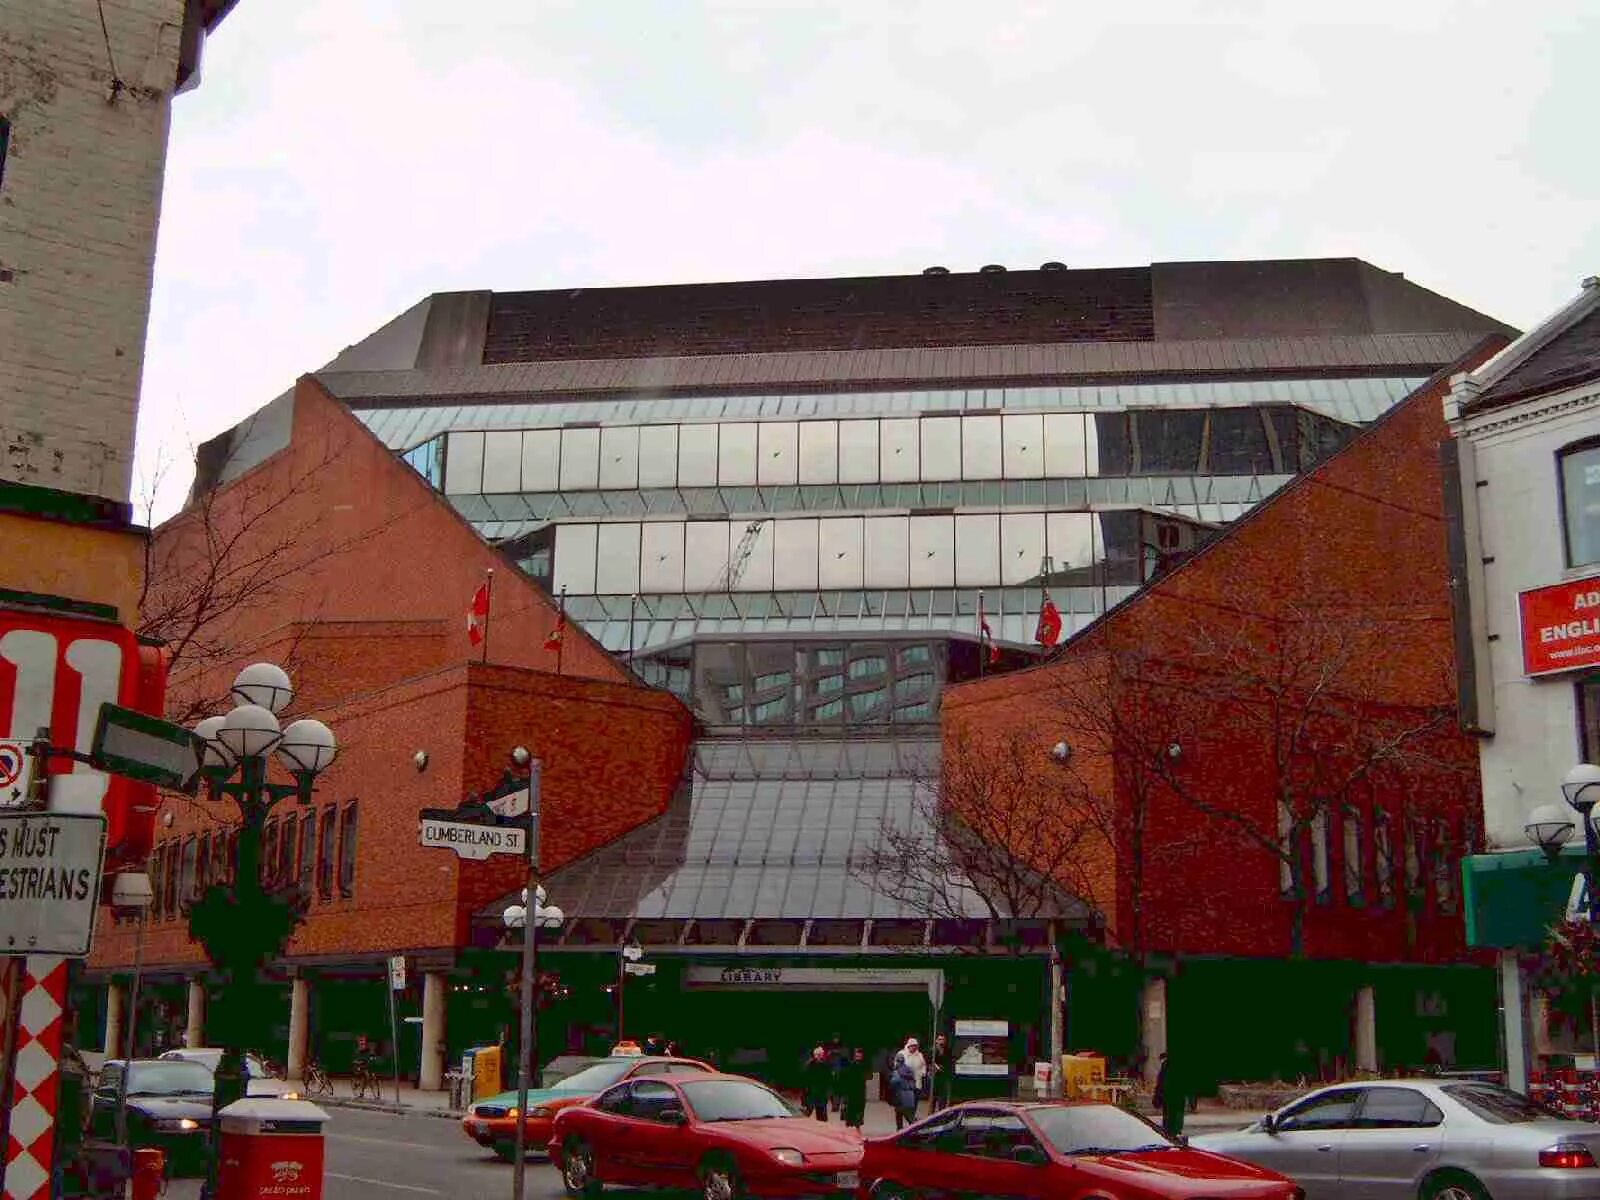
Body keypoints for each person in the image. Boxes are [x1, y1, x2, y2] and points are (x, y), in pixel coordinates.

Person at [1154, 1052, 1185, 1137]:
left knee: (1169, 1114)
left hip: (1169, 1094)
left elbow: (1161, 1082)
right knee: (1177, 1113)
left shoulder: (1165, 1066)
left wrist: (1158, 1095)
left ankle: (1170, 1131)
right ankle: (1177, 1129)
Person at [889, 1048, 920, 1130]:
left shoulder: (897, 1071)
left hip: (900, 1097)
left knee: (899, 1116)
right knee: (910, 1116)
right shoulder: (909, 1070)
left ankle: (900, 1132)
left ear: (898, 1061)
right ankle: (915, 1128)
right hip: (910, 1096)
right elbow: (913, 1083)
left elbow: (893, 1082)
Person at [838, 1047, 869, 1130]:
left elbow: (868, 1077)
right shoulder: (850, 1066)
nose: (858, 1057)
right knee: (850, 1113)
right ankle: (849, 1129)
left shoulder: (864, 1066)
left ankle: (857, 1128)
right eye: (857, 1056)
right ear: (854, 1056)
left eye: (860, 1056)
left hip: (860, 1092)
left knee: (859, 1112)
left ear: (862, 1056)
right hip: (851, 1092)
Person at [802, 1045, 833, 1121]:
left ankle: (823, 1126)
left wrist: (828, 1092)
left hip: (822, 1091)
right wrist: (806, 1092)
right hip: (812, 1091)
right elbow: (806, 1079)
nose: (819, 1056)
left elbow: (829, 1079)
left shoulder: (825, 1065)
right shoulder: (810, 1065)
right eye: (817, 1055)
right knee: (808, 1111)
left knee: (821, 1111)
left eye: (820, 1055)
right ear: (814, 1055)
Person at [929, 1034, 952, 1111]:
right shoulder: (932, 1050)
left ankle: (941, 1114)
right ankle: (931, 1116)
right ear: (936, 1041)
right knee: (933, 1098)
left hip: (944, 1076)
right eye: (939, 1039)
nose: (941, 1041)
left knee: (943, 1098)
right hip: (934, 1076)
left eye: (943, 1039)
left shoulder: (947, 1050)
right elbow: (929, 1061)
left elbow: (949, 1062)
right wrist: (937, 1067)